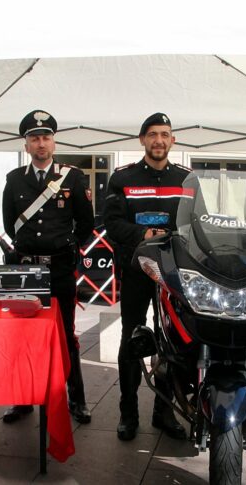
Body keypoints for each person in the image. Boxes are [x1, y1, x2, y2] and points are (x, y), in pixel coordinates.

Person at [1, 109, 94, 425]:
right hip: (26, 272)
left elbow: (85, 222)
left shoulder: (72, 177)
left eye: (46, 137)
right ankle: (23, 400)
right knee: (23, 336)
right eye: (34, 138)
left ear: (53, 142)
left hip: (59, 270)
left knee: (65, 335)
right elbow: (8, 224)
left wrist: (67, 245)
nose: (41, 143)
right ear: (26, 145)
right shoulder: (14, 180)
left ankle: (77, 399)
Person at [104, 113, 190, 442]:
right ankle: (128, 412)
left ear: (173, 141)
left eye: (164, 134)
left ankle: (164, 411)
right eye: (152, 134)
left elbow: (195, 222)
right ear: (142, 140)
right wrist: (145, 232)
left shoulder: (186, 179)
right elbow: (112, 223)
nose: (158, 140)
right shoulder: (122, 177)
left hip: (173, 274)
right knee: (132, 339)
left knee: (172, 340)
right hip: (137, 269)